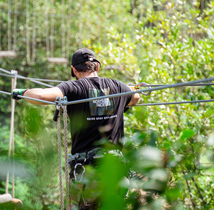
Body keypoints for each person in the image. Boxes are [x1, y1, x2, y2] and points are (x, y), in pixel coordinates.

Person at [12, 48, 140, 209]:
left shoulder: (73, 89)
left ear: (74, 69)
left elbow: (41, 96)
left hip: (90, 174)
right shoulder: (118, 87)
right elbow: (135, 97)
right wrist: (127, 91)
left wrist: (23, 92)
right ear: (97, 67)